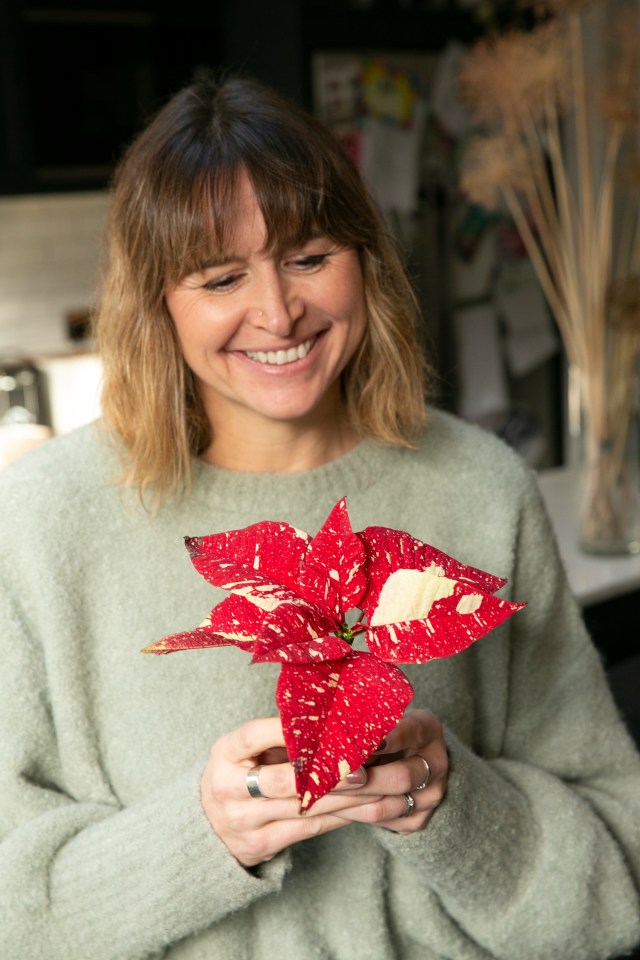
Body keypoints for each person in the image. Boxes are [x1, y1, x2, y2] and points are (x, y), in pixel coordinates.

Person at [0, 73, 639, 960]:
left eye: (308, 257)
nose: (278, 312)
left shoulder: (482, 490)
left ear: (365, 258)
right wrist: (206, 834)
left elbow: (614, 885)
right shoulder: (40, 523)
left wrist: (445, 797)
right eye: (221, 276)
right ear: (156, 304)